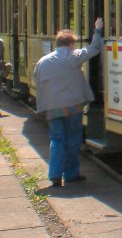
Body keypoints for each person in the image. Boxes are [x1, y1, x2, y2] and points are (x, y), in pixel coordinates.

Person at [34, 18, 104, 187]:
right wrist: (98, 29)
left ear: (57, 44)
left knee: (56, 140)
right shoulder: (74, 56)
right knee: (73, 139)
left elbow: (37, 81)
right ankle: (71, 174)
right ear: (71, 44)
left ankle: (55, 176)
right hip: (72, 107)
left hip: (52, 108)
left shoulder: (43, 62)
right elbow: (94, 48)